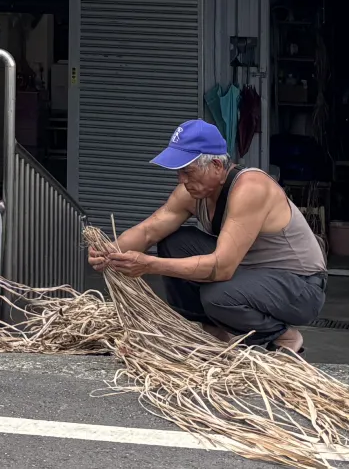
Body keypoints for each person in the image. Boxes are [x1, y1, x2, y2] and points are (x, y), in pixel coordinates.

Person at [88, 119, 327, 352]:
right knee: (175, 242)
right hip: (252, 273)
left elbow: (222, 268)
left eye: (188, 171)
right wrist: (110, 251)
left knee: (217, 296)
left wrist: (149, 265)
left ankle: (283, 336)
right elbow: (149, 231)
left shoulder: (251, 188)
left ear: (216, 166)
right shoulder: (191, 192)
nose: (182, 180)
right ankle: (213, 331)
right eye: (179, 172)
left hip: (300, 288)